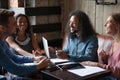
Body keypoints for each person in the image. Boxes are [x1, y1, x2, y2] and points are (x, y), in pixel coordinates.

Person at [0, 9, 50, 80]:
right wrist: (38, 65)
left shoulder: (2, 41)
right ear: (2, 28)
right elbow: (15, 69)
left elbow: (14, 57)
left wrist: (34, 58)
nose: (17, 26)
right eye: (14, 24)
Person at [81, 13, 120, 80]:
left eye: (108, 22)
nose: (105, 25)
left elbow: (118, 72)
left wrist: (98, 65)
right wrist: (105, 57)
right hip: (108, 76)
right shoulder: (114, 42)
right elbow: (114, 63)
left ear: (117, 26)